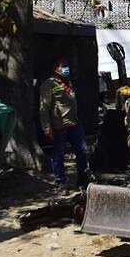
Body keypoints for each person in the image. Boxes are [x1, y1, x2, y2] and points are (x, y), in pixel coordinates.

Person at [40, 58, 89, 188]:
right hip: (60, 126)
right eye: (63, 66)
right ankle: (60, 180)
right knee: (59, 154)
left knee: (83, 151)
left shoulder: (68, 83)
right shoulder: (49, 84)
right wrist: (47, 127)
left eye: (67, 66)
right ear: (56, 69)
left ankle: (83, 179)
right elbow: (44, 108)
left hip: (75, 124)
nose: (66, 68)